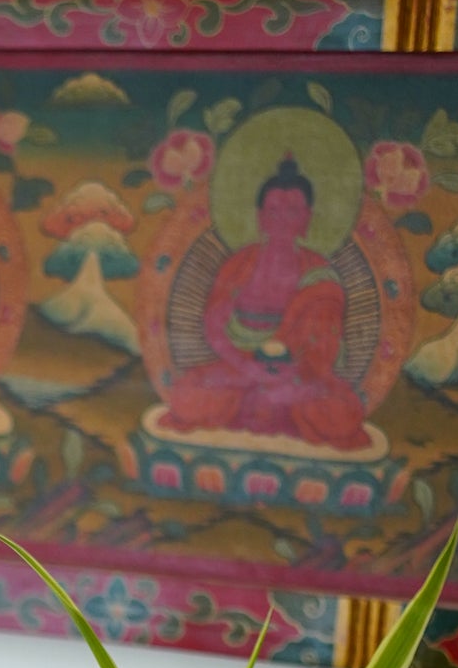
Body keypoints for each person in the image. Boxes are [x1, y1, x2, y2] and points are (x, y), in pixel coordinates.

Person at [158, 155, 369, 450]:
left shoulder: (319, 275)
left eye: (292, 211)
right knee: (185, 395)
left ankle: (274, 402)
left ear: (307, 218)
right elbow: (215, 330)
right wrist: (246, 368)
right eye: (273, 210)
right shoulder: (239, 265)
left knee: (343, 412)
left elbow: (323, 349)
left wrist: (290, 375)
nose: (281, 220)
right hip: (240, 373)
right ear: (260, 217)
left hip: (299, 379)